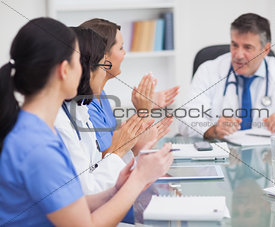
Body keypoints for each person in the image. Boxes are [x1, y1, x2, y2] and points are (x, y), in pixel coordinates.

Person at [0, 17, 173, 226]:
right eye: (79, 63)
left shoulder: (36, 130)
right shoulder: (37, 145)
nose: (84, 70)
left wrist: (116, 189)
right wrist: (139, 180)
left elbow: (71, 203)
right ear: (64, 70)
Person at [55, 27, 172, 194]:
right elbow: (89, 190)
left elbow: (98, 165)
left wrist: (129, 143)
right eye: (104, 65)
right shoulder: (63, 121)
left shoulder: (84, 109)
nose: (106, 72)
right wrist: (124, 150)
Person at [179, 13, 275, 139]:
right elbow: (185, 118)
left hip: (267, 158)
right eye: (234, 45)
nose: (238, 55)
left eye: (247, 48)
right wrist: (213, 130)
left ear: (265, 50)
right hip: (221, 157)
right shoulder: (209, 70)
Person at [80, 18, 179, 157]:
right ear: (103, 56)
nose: (124, 53)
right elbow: (106, 157)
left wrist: (144, 109)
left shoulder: (100, 93)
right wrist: (143, 110)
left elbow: (116, 144)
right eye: (120, 48)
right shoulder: (87, 103)